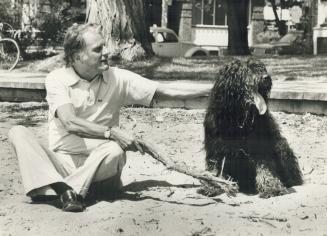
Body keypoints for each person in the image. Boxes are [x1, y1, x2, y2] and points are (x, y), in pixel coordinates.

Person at [8, 23, 212, 212]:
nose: (107, 52)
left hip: (102, 169)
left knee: (114, 150)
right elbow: (69, 122)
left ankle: (63, 190)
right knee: (18, 132)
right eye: (98, 49)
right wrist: (110, 132)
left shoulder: (117, 77)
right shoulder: (57, 79)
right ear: (77, 56)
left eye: (104, 46)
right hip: (63, 163)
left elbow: (166, 90)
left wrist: (213, 89)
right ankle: (68, 189)